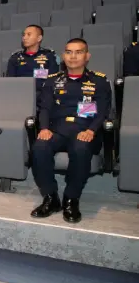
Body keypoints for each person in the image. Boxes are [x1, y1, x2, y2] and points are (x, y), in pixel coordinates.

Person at [30, 38, 111, 223]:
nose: (73, 56)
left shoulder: (99, 81)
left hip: (85, 130)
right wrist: (44, 128)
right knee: (39, 147)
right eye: (68, 52)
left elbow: (103, 112)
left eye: (78, 52)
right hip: (58, 131)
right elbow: (45, 109)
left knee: (80, 148)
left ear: (87, 56)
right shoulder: (52, 80)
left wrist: (91, 130)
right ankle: (51, 198)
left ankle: (71, 199)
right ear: (63, 56)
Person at [6, 25, 59, 96]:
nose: (24, 38)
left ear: (39, 38)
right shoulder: (15, 57)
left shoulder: (49, 56)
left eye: (29, 34)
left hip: (43, 96)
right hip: (20, 95)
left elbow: (53, 80)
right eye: (24, 35)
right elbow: (10, 82)